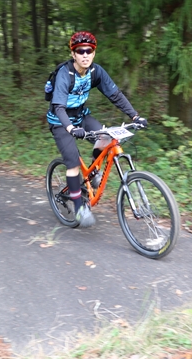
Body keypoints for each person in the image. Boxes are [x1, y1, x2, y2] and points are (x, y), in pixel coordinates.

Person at [47, 31, 148, 228]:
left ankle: (93, 175)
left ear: (93, 53)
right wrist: (70, 128)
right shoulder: (65, 74)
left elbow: (115, 95)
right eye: (80, 51)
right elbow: (58, 107)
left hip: (81, 116)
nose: (85, 55)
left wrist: (135, 116)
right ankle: (79, 208)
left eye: (89, 51)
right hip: (60, 121)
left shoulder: (96, 72)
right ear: (73, 54)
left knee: (107, 138)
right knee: (73, 163)